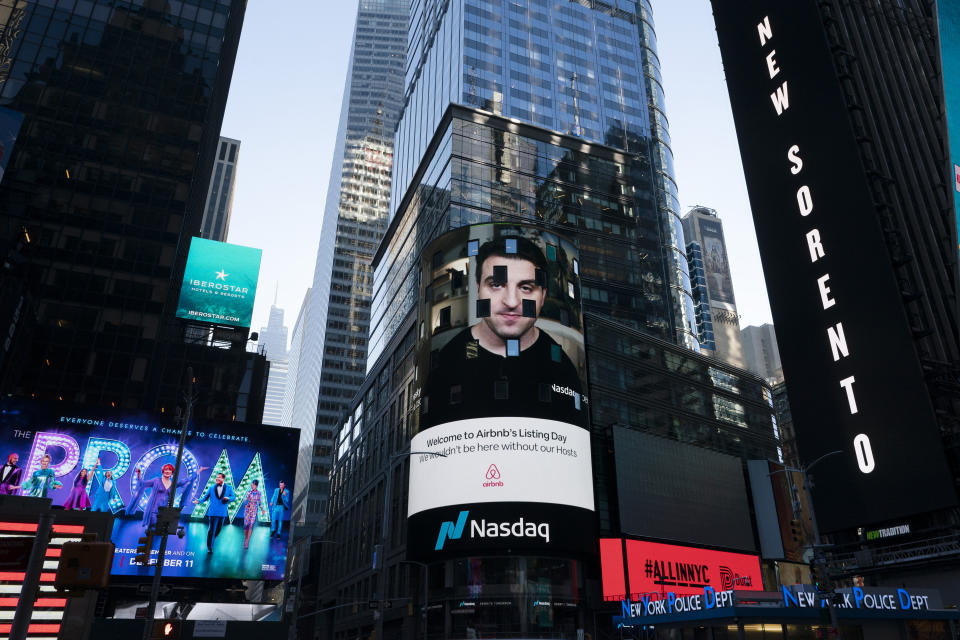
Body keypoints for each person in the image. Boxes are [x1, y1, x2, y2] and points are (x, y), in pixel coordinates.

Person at [424, 236, 585, 427]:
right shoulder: (447, 361)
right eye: (497, 285)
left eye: (526, 288)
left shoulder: (563, 369)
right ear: (479, 291)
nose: (511, 302)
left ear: (542, 297)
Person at [127, 463, 205, 530]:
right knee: (152, 529)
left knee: (160, 531)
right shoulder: (156, 480)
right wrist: (139, 474)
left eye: (170, 470)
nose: (167, 471)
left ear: (172, 473)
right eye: (166, 469)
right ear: (163, 471)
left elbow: (187, 480)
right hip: (153, 510)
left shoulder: (173, 483)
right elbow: (142, 483)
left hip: (164, 511)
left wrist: (199, 471)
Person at [193, 472, 235, 553]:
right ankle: (210, 547)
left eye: (219, 477)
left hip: (222, 512)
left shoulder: (229, 488)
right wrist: (199, 501)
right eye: (217, 477)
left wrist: (228, 498)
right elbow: (205, 497)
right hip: (212, 511)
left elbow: (233, 497)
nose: (217, 478)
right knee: (211, 529)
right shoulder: (211, 487)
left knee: (218, 529)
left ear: (223, 479)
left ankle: (212, 539)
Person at [242, 480, 268, 550]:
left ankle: (247, 541)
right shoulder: (249, 492)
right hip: (247, 509)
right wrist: (245, 501)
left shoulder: (259, 493)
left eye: (253, 485)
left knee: (250, 526)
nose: (252, 486)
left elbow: (259, 502)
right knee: (246, 525)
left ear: (256, 486)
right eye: (251, 484)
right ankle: (246, 538)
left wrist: (262, 510)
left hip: (254, 510)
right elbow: (246, 499)